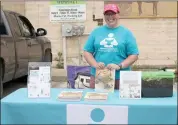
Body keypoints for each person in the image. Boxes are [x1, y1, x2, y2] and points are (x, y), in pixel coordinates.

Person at [83, 3, 139, 89]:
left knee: (120, 102)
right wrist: (95, 64)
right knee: (97, 101)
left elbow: (134, 55)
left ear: (118, 15)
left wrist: (119, 66)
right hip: (99, 75)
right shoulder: (96, 32)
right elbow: (87, 52)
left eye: (113, 14)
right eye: (107, 14)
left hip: (120, 77)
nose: (110, 17)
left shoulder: (126, 33)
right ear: (104, 16)